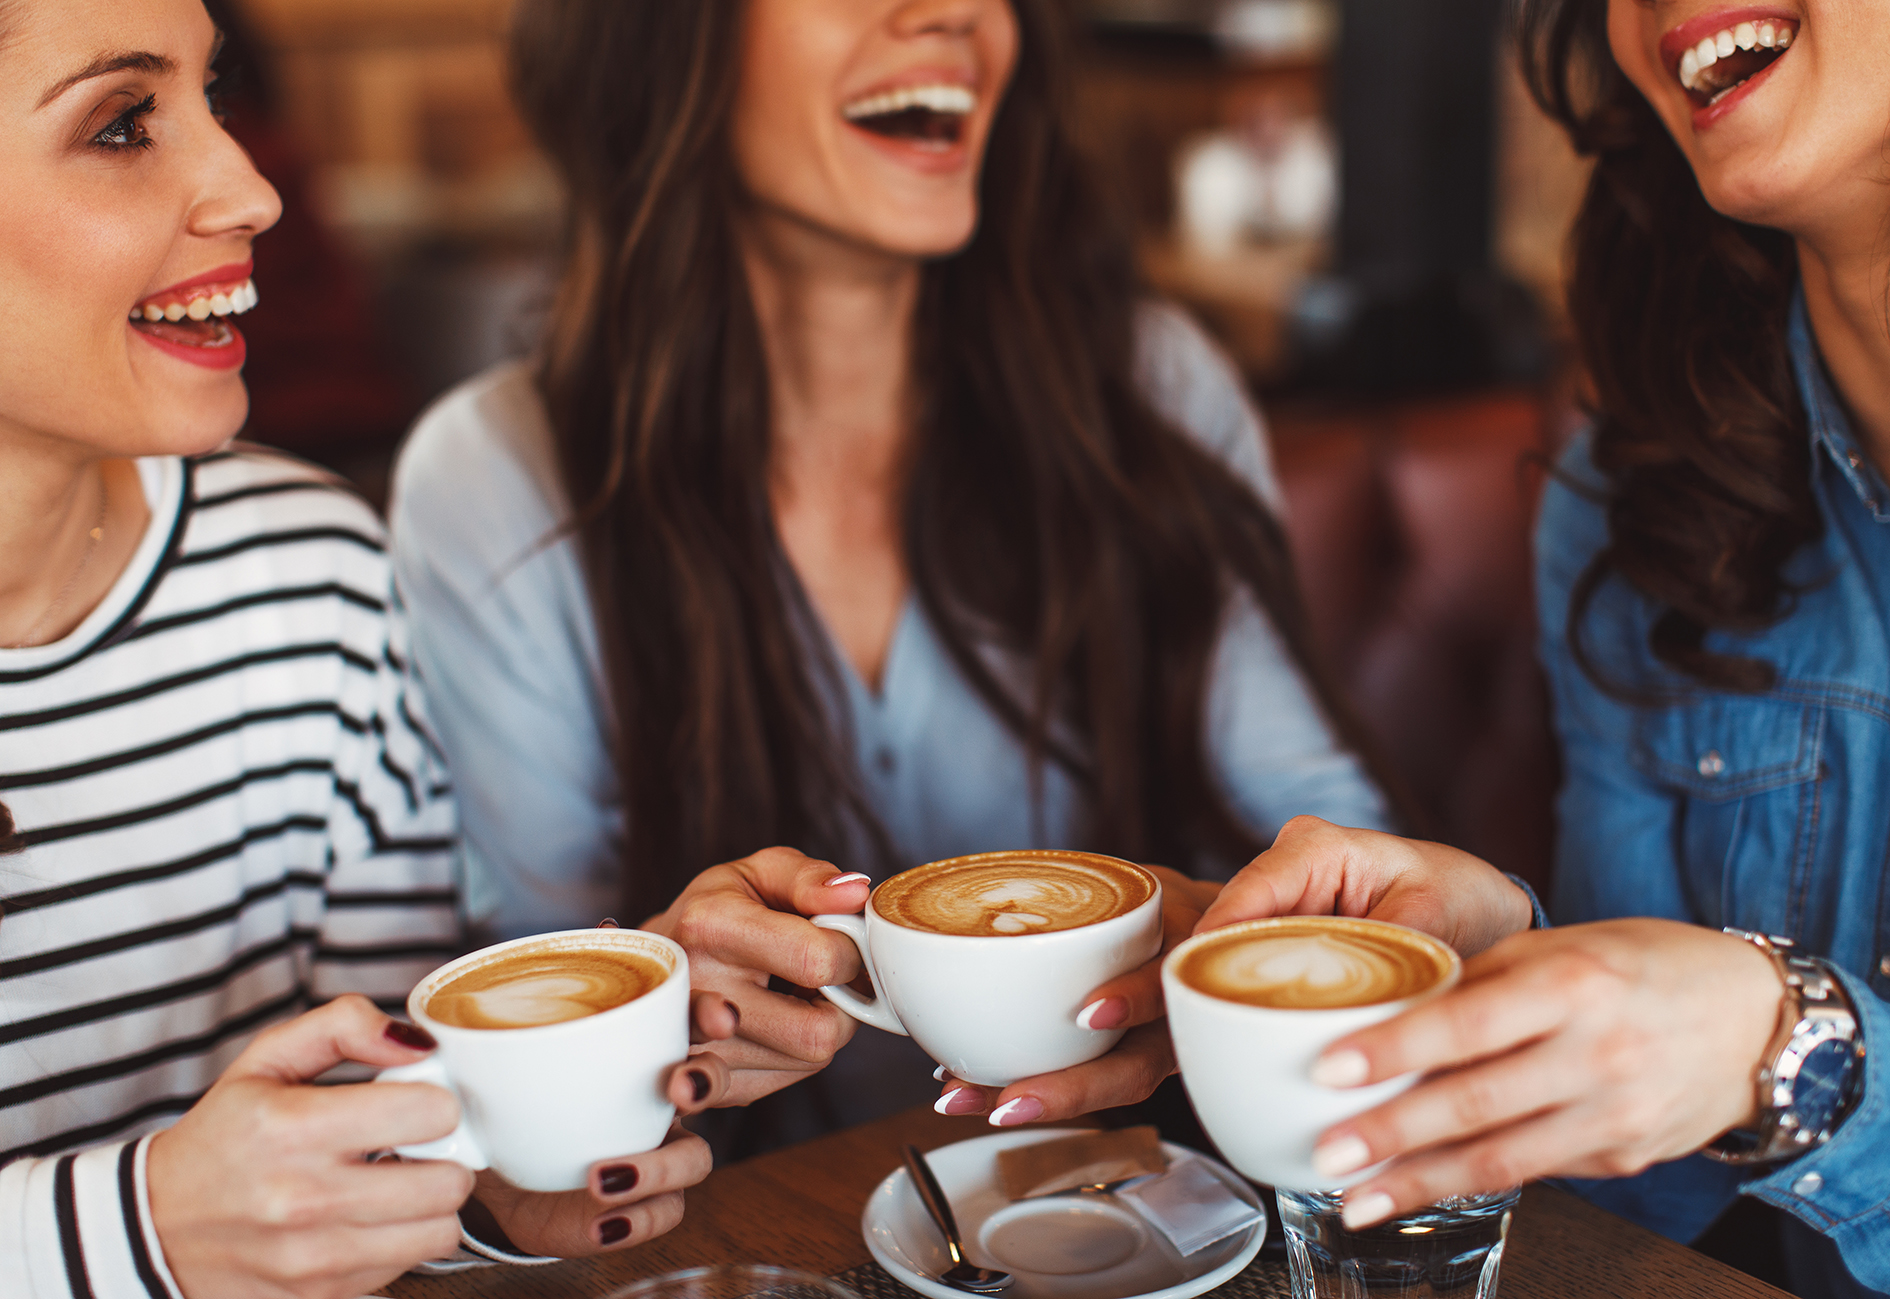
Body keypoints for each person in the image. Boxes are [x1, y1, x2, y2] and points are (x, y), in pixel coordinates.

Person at [391, 0, 1393, 1153]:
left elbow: (1343, 854)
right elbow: (533, 995)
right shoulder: (493, 480)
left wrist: (1232, 939)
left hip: (1138, 1214)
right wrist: (664, 981)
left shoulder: (1147, 388)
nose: (959, 13)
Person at [0, 4, 729, 1295]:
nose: (253, 188)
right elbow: (190, 1226)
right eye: (123, 125)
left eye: (208, 95)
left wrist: (520, 1141)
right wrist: (137, 1227)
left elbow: (363, 1143)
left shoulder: (306, 576)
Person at [1191, 1, 1890, 1293]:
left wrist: (1794, 1050)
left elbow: (1755, 1059)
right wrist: (1502, 950)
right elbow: (1643, 1196)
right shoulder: (1637, 502)